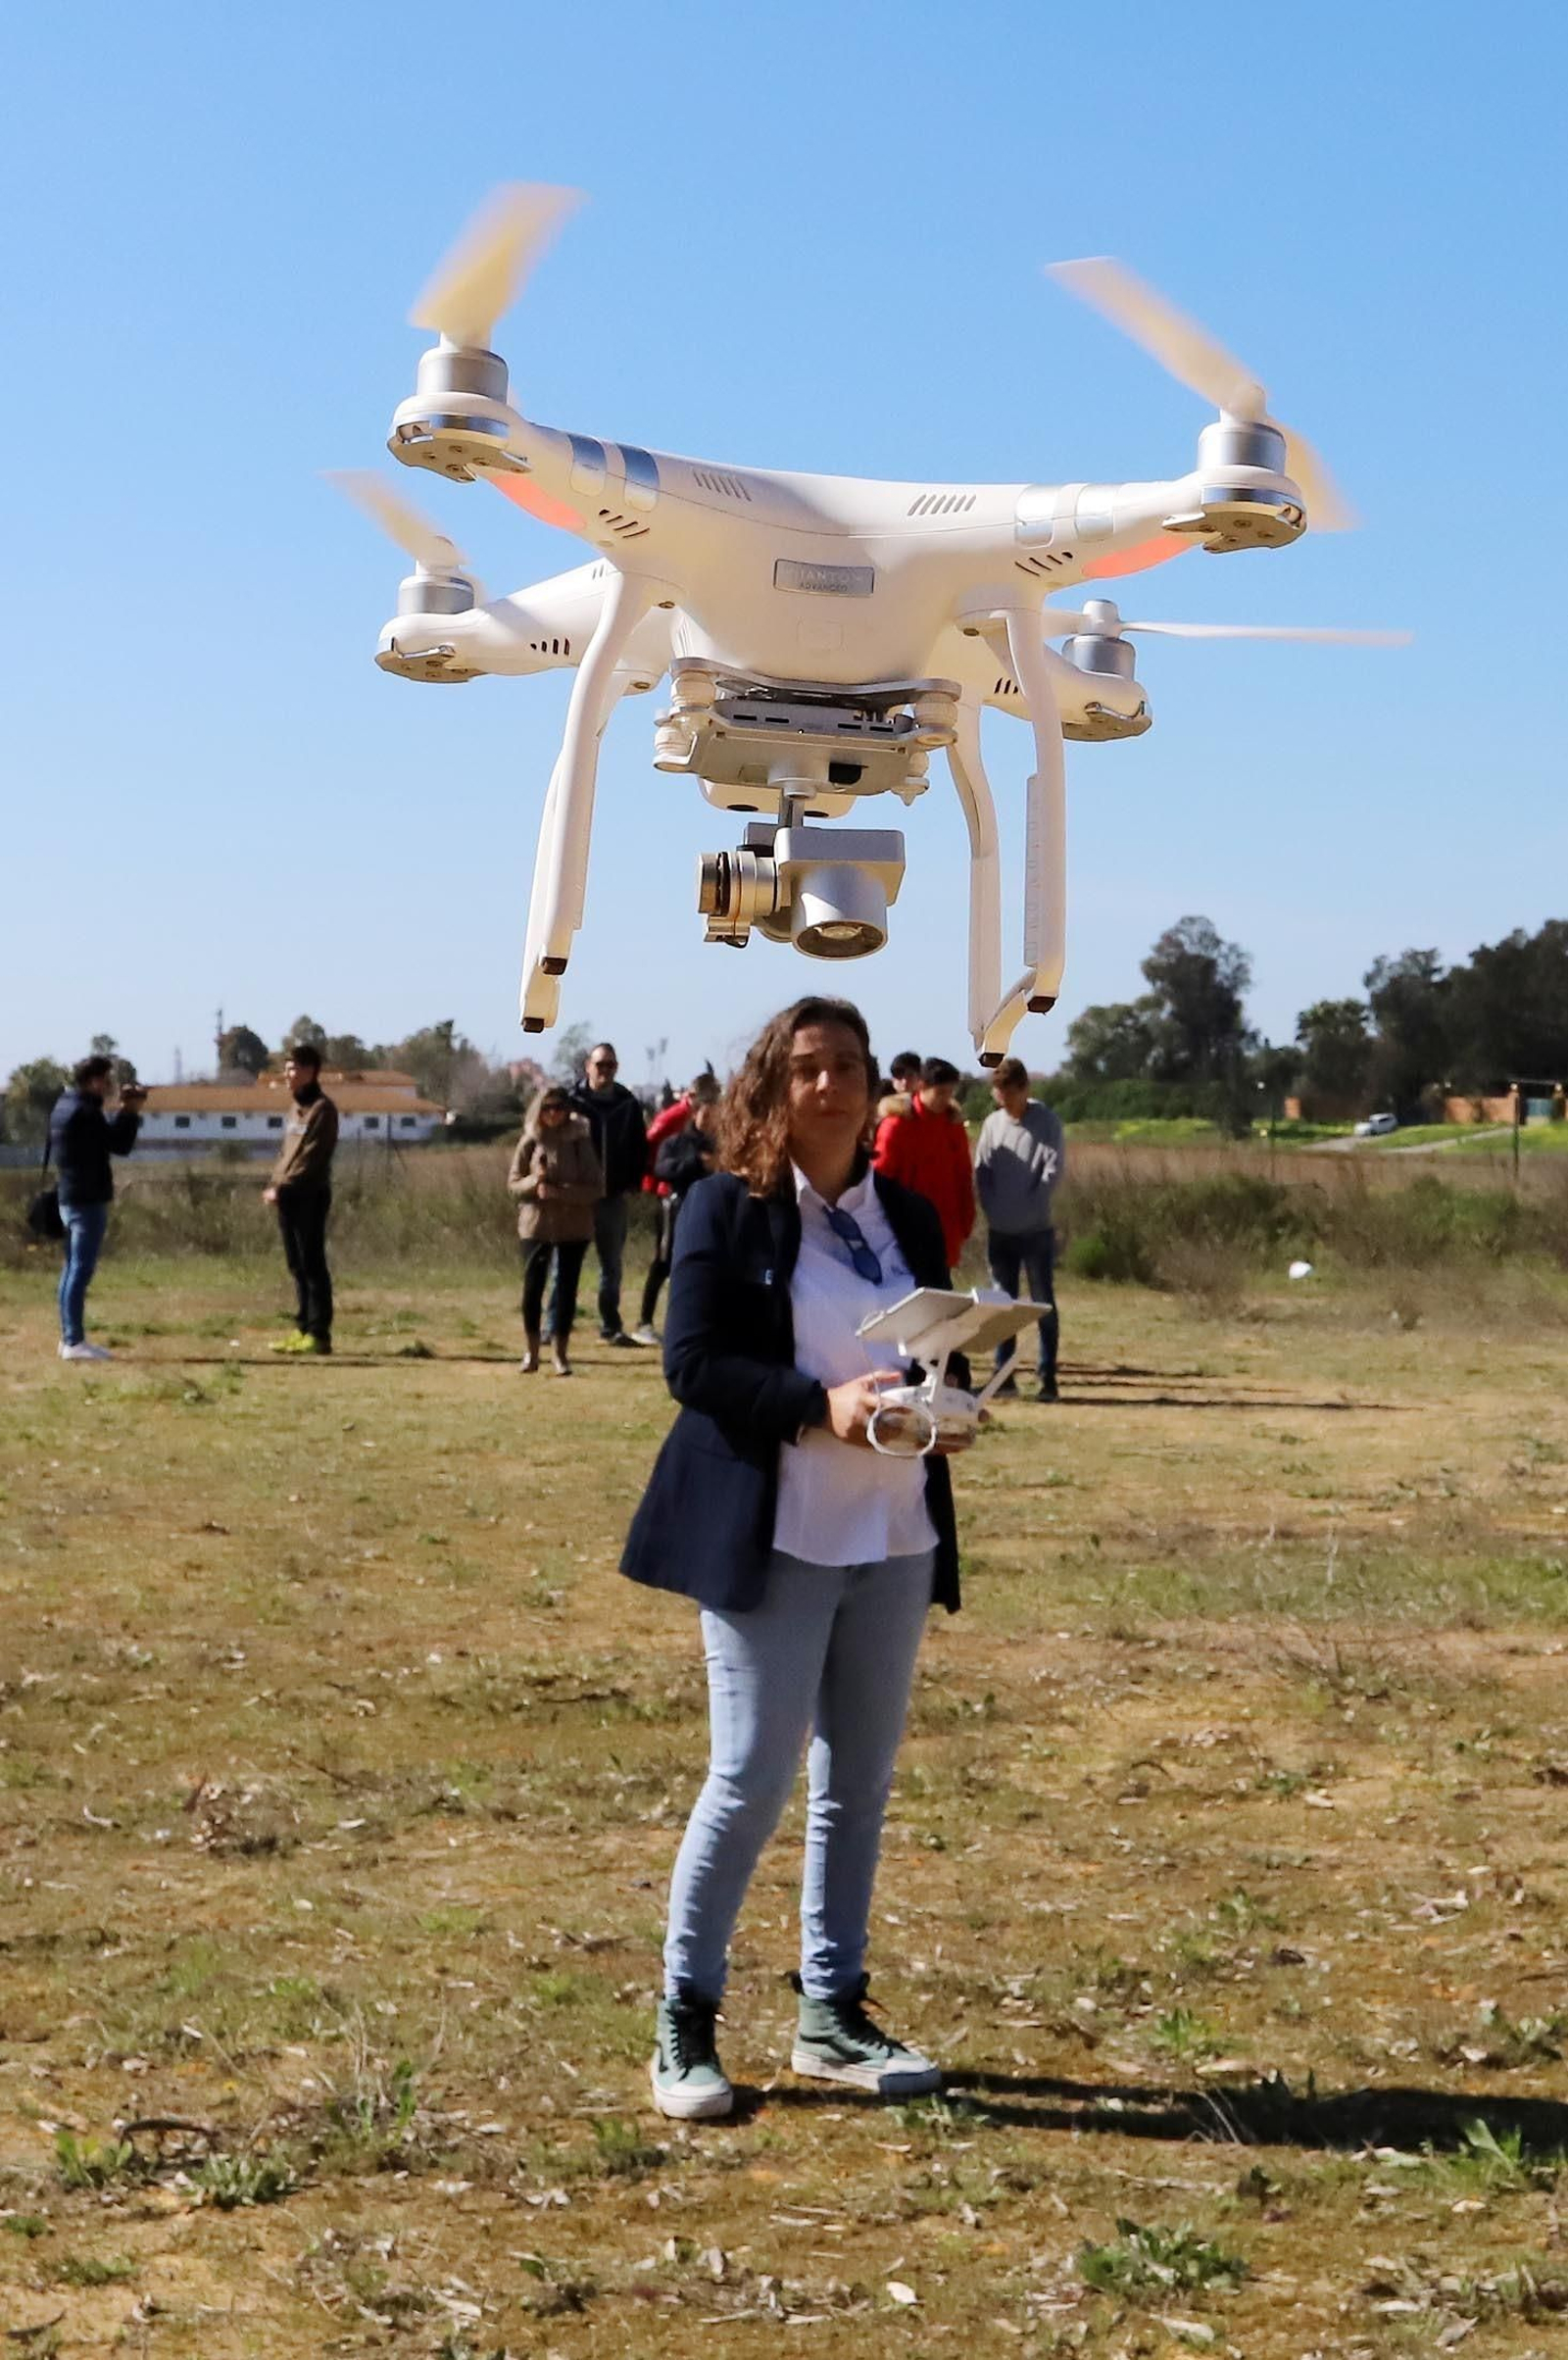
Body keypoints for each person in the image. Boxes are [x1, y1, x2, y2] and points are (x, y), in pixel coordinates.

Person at [622, 995, 974, 2121]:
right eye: (807, 1066)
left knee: (856, 1785)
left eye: (848, 1066)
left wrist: (946, 1404)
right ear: (770, 1086)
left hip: (893, 1529)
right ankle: (685, 2019)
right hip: (776, 1528)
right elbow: (692, 1364)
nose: (829, 1084)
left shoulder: (908, 1216)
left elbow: (923, 1352)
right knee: (750, 1779)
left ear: (876, 1084)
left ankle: (832, 2012)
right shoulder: (725, 1206)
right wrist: (816, 1404)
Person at [974, 1057, 1065, 1402]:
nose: (1004, 1103)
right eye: (999, 1096)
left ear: (1024, 1089)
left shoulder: (1047, 1122)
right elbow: (982, 1170)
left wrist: (1032, 1207)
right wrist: (992, 1209)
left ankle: (1048, 1378)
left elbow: (1052, 1170)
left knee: (1043, 1303)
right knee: (1002, 1305)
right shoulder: (992, 1124)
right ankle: (1003, 1377)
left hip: (1036, 1231)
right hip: (1001, 1231)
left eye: (1009, 1095)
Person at [49, 1055, 147, 1361]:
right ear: (95, 1080)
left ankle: (69, 1337)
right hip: (86, 1200)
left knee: (70, 1268)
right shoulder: (85, 1112)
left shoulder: (63, 1105)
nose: (110, 1086)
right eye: (107, 1079)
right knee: (80, 1269)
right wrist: (129, 1112)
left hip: (68, 1196)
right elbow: (119, 1144)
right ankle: (74, 1341)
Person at [508, 1085, 603, 1375]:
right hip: (536, 1225)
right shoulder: (529, 1140)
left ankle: (561, 1354)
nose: (553, 1114)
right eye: (547, 1108)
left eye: (559, 1108)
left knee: (565, 1291)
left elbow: (596, 1187)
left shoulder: (580, 1139)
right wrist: (534, 1182)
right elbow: (513, 1185)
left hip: (574, 1227)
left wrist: (561, 1193)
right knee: (532, 1289)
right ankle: (532, 1352)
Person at [562, 1043, 649, 1347]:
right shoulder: (572, 1102)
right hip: (577, 1197)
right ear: (588, 1067)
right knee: (566, 1262)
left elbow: (640, 1146)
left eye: (611, 1065)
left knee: (611, 1265)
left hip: (613, 1196)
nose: (605, 1071)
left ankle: (610, 1325)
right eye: (600, 1065)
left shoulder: (628, 1105)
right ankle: (555, 1325)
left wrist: (635, 1181)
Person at [632, 1071, 721, 1345]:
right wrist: (697, 1164)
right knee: (664, 1264)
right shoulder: (677, 1142)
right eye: (704, 1112)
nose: (708, 1118)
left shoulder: (721, 1143)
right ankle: (644, 1321)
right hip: (675, 1208)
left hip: (711, 1213)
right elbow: (662, 1167)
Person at [263, 1046, 339, 1356]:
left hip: (309, 1195)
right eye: (286, 1068)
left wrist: (285, 1187)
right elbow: (286, 1154)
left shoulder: (323, 1109)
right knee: (296, 1265)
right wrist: (274, 1184)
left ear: (310, 1072)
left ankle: (319, 1333)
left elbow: (312, 1158)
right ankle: (302, 1327)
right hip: (287, 1196)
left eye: (293, 1069)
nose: (287, 1075)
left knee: (312, 1263)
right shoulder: (295, 1109)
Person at [872, 1055, 976, 1269]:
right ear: (921, 1086)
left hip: (945, 1228)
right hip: (904, 1231)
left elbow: (963, 1175)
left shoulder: (952, 1126)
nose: (945, 1099)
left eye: (949, 1093)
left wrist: (966, 1220)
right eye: (940, 1093)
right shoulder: (897, 1126)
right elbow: (879, 1182)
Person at [876, 1049, 923, 1124]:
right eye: (899, 1076)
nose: (904, 1081)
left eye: (910, 1075)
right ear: (893, 1079)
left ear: (919, 1077)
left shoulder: (928, 1102)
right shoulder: (879, 1098)